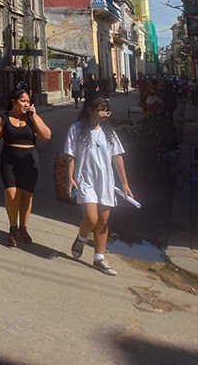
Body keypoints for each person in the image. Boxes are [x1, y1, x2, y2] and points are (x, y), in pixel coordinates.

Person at [64, 97, 133, 276]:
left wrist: (124, 183)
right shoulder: (76, 129)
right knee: (91, 219)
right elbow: (70, 155)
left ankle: (99, 258)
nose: (104, 114)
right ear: (89, 110)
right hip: (85, 180)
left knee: (103, 220)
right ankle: (82, 237)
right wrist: (69, 178)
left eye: (106, 111)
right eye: (101, 110)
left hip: (106, 181)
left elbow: (117, 157)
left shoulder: (109, 132)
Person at [0, 82, 52, 247]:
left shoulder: (31, 118)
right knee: (12, 195)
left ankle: (23, 228)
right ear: (13, 102)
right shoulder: (3, 118)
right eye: (23, 101)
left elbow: (46, 136)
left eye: (28, 101)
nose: (26, 104)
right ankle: (13, 229)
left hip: (30, 160)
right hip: (9, 160)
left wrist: (34, 117)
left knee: (27, 197)